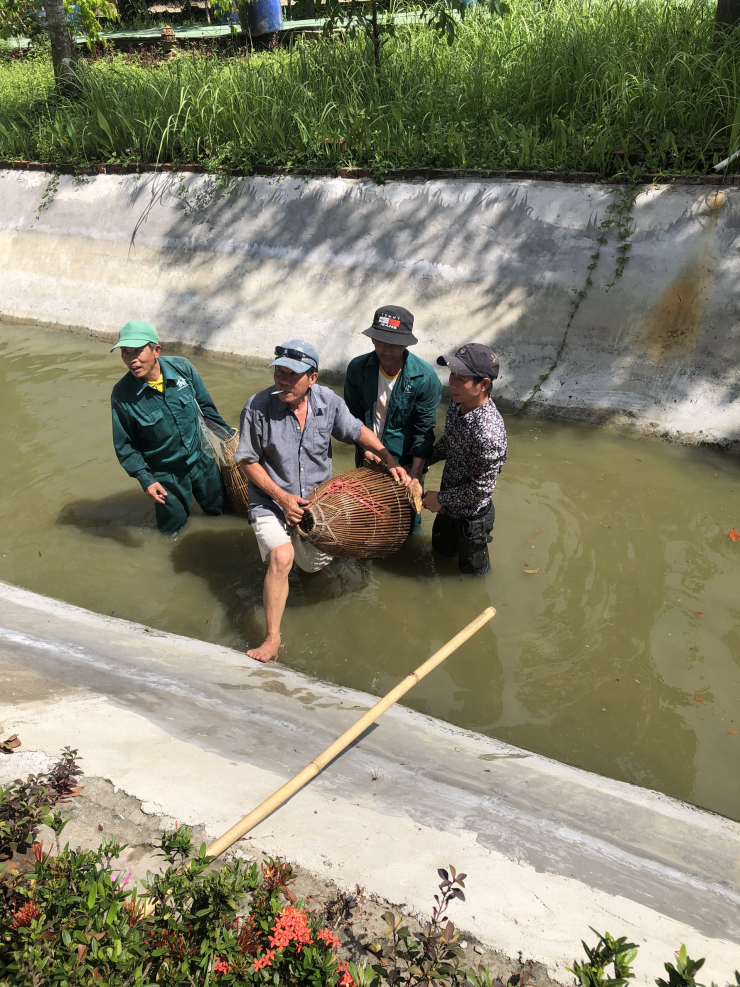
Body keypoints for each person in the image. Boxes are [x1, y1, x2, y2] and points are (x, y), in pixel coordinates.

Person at [235, 339, 409, 663]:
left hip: (317, 503)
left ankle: (301, 571)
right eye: (279, 373)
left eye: (292, 375)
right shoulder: (257, 407)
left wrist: (388, 457)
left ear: (312, 378)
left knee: (312, 570)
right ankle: (272, 639)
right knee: (282, 557)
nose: (283, 381)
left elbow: (356, 430)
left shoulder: (327, 401)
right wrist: (281, 497)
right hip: (271, 499)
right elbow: (247, 461)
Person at [110, 320, 233, 536]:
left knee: (221, 513)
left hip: (202, 459)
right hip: (166, 474)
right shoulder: (122, 395)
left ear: (156, 350)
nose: (131, 360)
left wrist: (232, 444)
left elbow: (208, 410)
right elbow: (125, 446)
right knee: (171, 531)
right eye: (125, 352)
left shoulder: (182, 368)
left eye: (137, 351)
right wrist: (146, 480)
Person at [343, 305, 442, 531]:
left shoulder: (424, 379)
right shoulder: (357, 369)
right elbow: (351, 419)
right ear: (373, 340)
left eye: (394, 344)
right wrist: (367, 450)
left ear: (406, 343)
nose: (386, 349)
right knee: (366, 521)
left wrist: (416, 474)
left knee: (404, 524)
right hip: (368, 458)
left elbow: (423, 430)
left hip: (406, 466)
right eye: (380, 341)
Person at [421, 344, 507, 575]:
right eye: (452, 375)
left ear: (484, 384)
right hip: (447, 509)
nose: (453, 384)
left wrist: (440, 498)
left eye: (462, 379)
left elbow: (482, 488)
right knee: (439, 556)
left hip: (471, 518)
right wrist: (420, 463)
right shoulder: (458, 404)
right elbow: (450, 443)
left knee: (473, 576)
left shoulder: (488, 433)